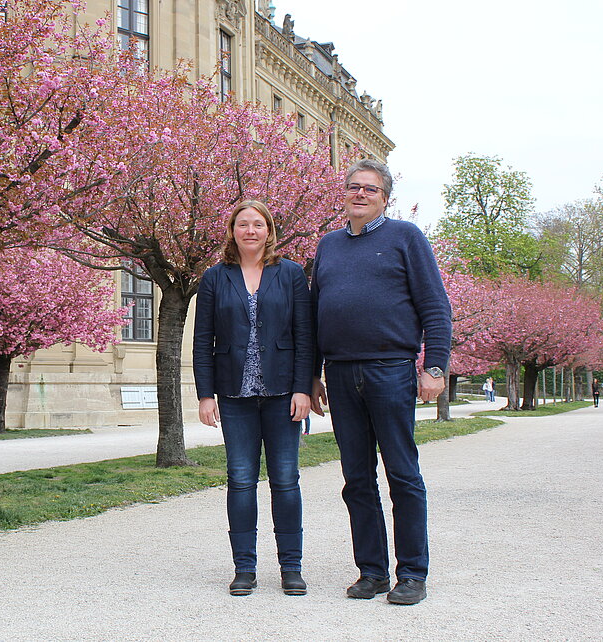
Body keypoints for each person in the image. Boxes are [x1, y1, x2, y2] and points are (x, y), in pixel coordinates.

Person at [309, 159, 452, 606]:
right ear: (344, 194)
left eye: (370, 189)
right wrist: (314, 374)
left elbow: (435, 306)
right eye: (353, 187)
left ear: (384, 197)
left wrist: (435, 367)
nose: (360, 194)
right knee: (356, 478)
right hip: (341, 370)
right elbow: (315, 315)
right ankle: (370, 571)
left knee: (402, 474)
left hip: (390, 370)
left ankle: (411, 573)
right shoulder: (328, 245)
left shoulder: (406, 238)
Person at [193, 200, 312, 597]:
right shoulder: (214, 278)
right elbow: (202, 340)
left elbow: (304, 337)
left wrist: (303, 388)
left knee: (285, 479)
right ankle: (244, 567)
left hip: (283, 394)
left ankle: (290, 568)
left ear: (269, 230)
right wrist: (205, 395)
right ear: (232, 231)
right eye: (242, 224)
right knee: (240, 480)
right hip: (234, 394)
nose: (250, 231)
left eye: (257, 224)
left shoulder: (291, 274)